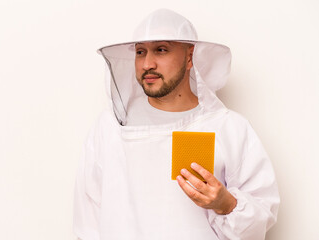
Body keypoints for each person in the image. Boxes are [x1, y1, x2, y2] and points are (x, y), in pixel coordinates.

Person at [73, 9, 280, 240]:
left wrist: (225, 203)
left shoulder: (228, 128)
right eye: (140, 52)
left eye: (161, 50)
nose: (147, 64)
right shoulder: (109, 128)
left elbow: (262, 212)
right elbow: (88, 219)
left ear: (189, 57)